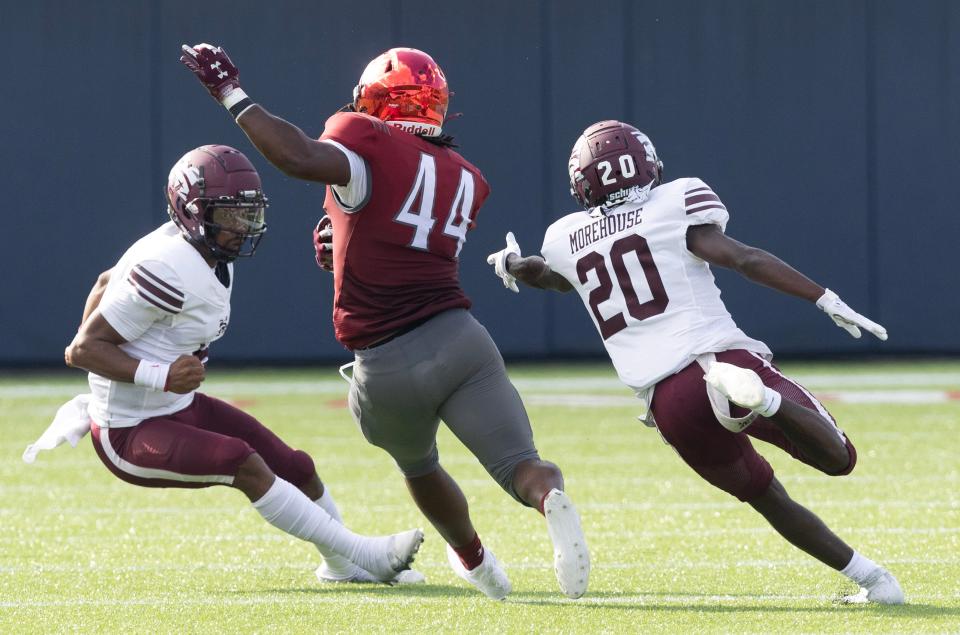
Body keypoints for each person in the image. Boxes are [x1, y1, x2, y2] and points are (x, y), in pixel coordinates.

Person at [180, 44, 589, 600]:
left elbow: (299, 156)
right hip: (463, 339)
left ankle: (476, 560)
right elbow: (403, 233)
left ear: (375, 100)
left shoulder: (363, 137)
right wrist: (343, 240)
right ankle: (549, 499)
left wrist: (231, 93)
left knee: (419, 467)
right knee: (521, 465)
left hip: (386, 361)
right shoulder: (467, 175)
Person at [485, 119, 904, 605]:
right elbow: (742, 258)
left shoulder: (565, 237)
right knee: (839, 459)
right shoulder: (674, 201)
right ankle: (765, 400)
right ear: (646, 165)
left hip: (668, 403)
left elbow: (553, 276)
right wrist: (823, 297)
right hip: (717, 360)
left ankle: (874, 582)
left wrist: (513, 265)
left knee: (767, 499)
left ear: (582, 184)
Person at [55, 144, 423, 586]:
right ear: (192, 211)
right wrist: (159, 374)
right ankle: (363, 553)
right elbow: (81, 350)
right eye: (229, 214)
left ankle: (342, 566)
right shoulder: (166, 268)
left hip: (178, 407)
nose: (242, 225)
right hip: (129, 430)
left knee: (297, 466)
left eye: (247, 212)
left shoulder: (198, 250)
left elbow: (103, 281)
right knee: (241, 461)